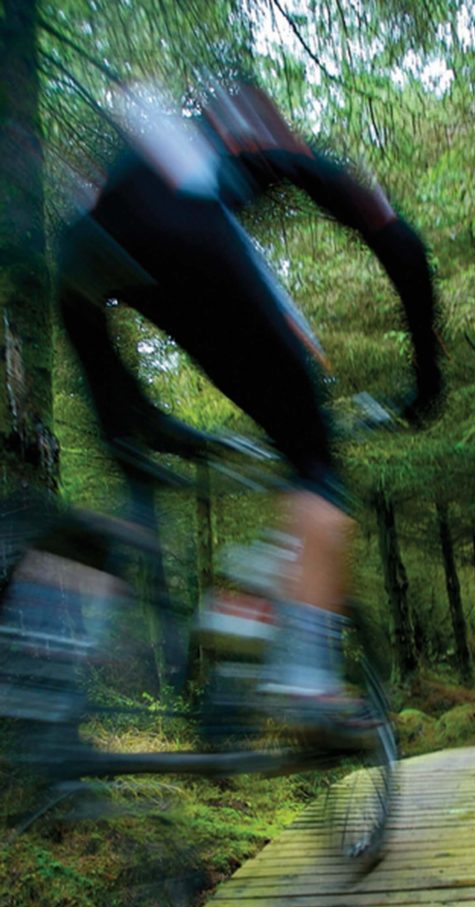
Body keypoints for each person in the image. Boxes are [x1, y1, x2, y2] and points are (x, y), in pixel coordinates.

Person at [56, 82, 442, 744]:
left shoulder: (154, 144)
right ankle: (304, 684)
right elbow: (399, 244)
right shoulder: (266, 143)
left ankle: (37, 661)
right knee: (314, 463)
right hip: (186, 236)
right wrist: (426, 375)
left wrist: (145, 418)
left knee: (133, 484)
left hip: (82, 258)